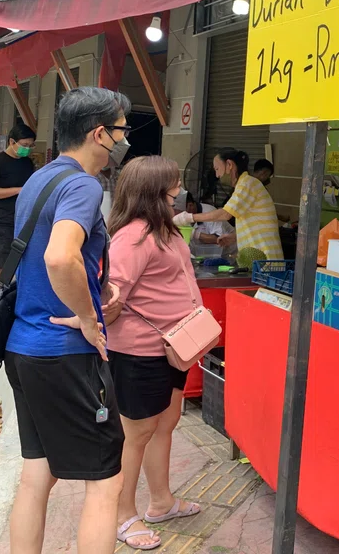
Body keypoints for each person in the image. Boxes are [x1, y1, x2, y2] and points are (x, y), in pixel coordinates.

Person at [4, 87, 131, 554]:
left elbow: (41, 258)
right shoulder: (82, 184)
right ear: (100, 133)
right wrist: (88, 317)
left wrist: (95, 290)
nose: (124, 140)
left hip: (23, 348)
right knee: (106, 484)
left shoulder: (41, 179)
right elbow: (60, 258)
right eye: (121, 131)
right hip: (64, 355)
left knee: (38, 473)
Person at [95, 156, 203, 550]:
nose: (180, 190)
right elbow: (113, 293)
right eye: (175, 184)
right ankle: (123, 514)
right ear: (156, 190)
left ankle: (161, 501)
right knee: (136, 433)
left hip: (177, 348)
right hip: (141, 352)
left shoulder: (167, 230)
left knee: (167, 422)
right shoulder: (134, 236)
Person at [175, 149, 283, 260]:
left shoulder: (247, 183)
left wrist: (188, 217)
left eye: (217, 169)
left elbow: (225, 214)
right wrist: (236, 237)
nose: (217, 175)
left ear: (229, 164)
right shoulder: (244, 185)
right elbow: (255, 220)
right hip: (257, 259)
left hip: (266, 258)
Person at [0, 123, 37, 292]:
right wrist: (18, 190)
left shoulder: (28, 163)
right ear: (12, 142)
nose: (27, 149)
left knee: (24, 267)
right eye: (24, 145)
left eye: (30, 146)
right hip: (0, 222)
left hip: (23, 220)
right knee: (3, 270)